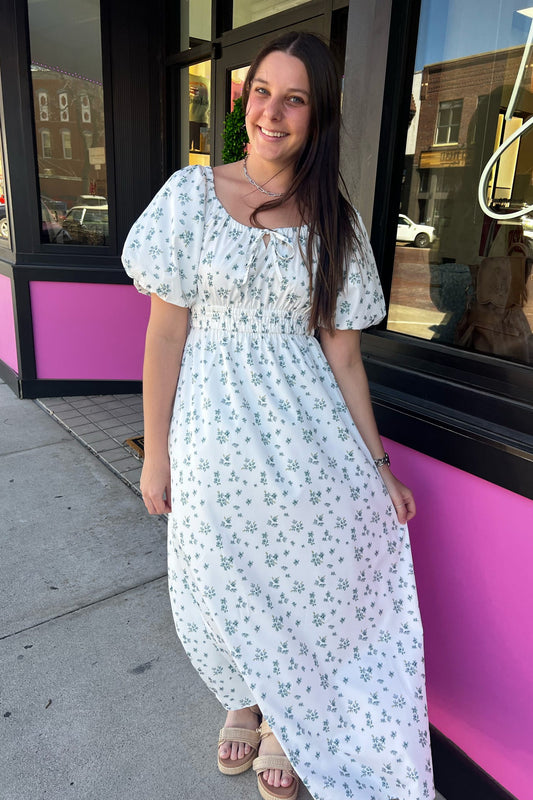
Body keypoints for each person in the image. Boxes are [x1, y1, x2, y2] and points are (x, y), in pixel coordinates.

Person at [122, 30, 435, 800]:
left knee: (307, 573)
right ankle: (245, 693)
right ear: (244, 100)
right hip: (211, 430)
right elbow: (166, 334)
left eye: (294, 97)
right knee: (215, 570)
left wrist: (380, 467)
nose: (272, 111)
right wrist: (153, 454)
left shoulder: (334, 219)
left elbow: (345, 357)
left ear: (316, 114)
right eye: (262, 91)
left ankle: (284, 721)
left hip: (306, 435)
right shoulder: (191, 196)